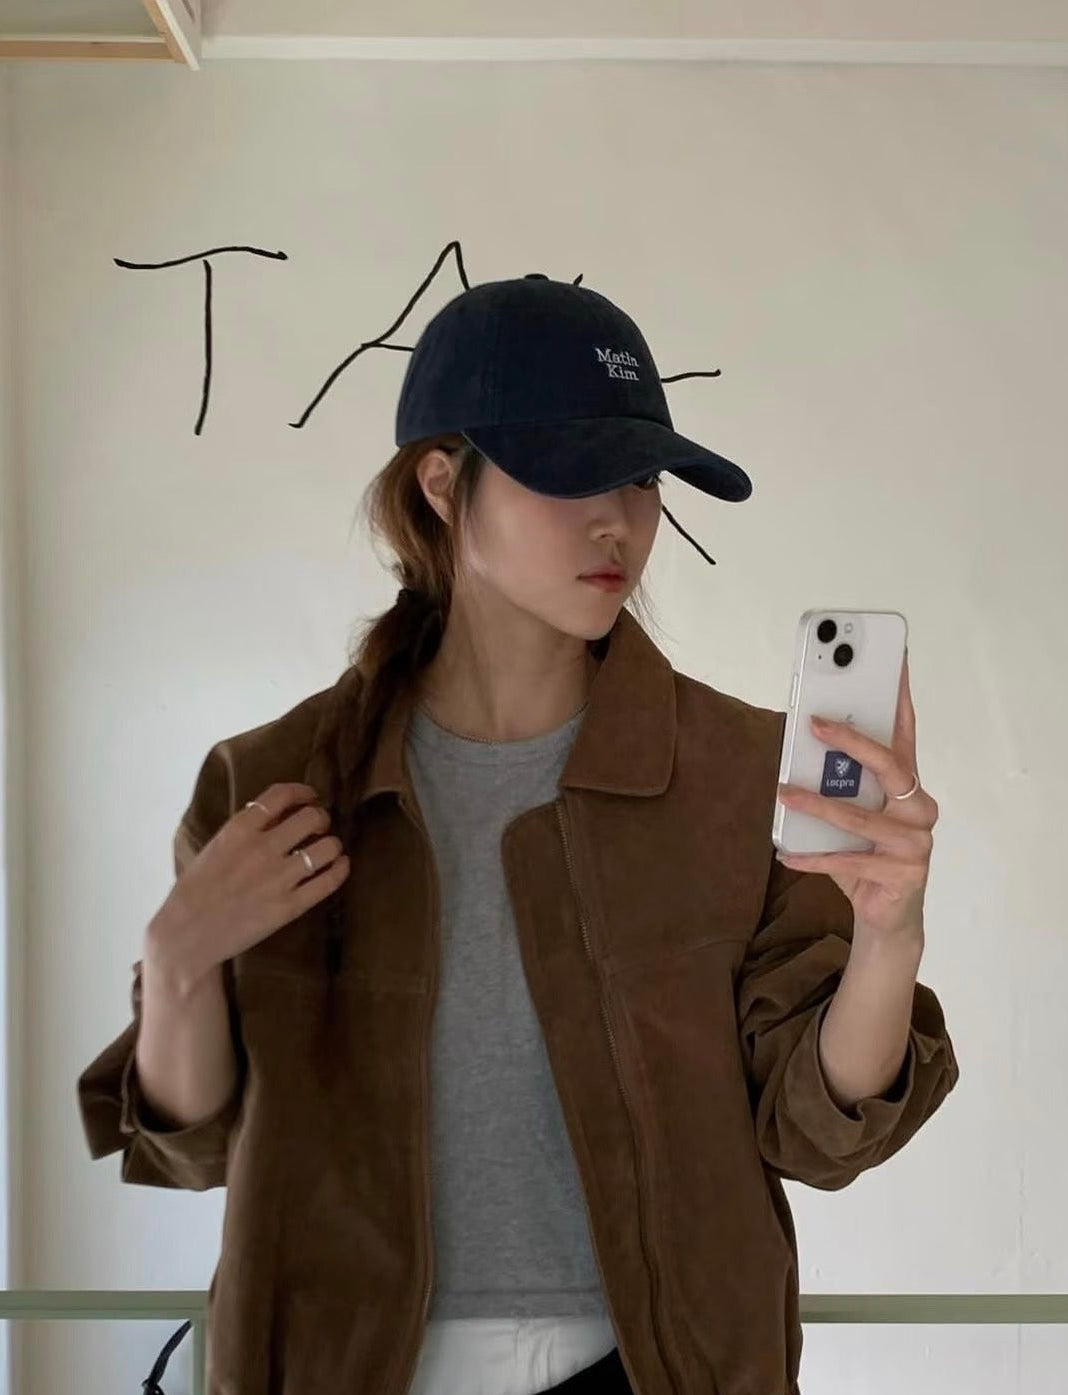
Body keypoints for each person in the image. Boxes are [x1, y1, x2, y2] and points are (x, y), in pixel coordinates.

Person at [78, 273, 959, 1395]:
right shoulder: (277, 786)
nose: (619, 520)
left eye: (642, 478)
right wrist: (177, 963)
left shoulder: (737, 774)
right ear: (444, 484)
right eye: (572, 472)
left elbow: (814, 1131)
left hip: (655, 1370)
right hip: (349, 1368)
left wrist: (889, 937)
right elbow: (196, 1144)